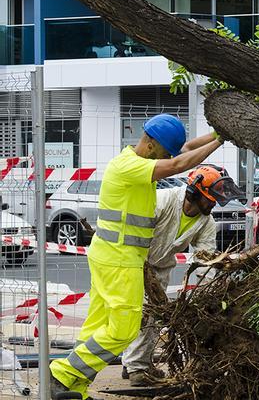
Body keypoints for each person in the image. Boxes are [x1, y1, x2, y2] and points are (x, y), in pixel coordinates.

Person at [49, 115, 224, 399]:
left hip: (109, 254)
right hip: (120, 257)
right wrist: (219, 141)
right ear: (153, 145)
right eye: (166, 152)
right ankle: (61, 374)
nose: (169, 157)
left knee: (98, 327)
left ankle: (72, 388)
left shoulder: (135, 159)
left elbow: (183, 150)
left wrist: (219, 134)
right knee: (124, 329)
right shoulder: (130, 166)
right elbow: (180, 164)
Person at [122, 165, 245, 385]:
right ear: (193, 193)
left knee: (153, 315)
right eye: (210, 199)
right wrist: (136, 264)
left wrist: (205, 293)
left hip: (160, 268)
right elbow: (133, 232)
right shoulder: (163, 201)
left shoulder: (205, 222)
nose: (213, 204)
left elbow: (204, 260)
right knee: (138, 315)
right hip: (130, 262)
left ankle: (136, 364)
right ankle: (136, 369)